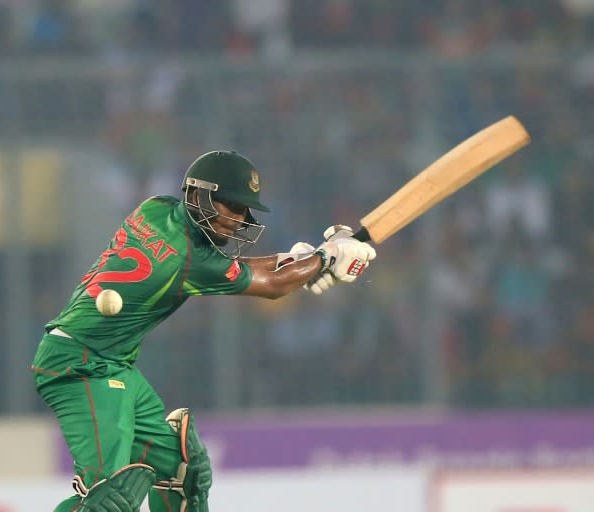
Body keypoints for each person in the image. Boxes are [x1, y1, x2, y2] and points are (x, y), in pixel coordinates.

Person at [31, 150, 377, 512]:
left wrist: (301, 261)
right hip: (82, 366)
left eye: (244, 209)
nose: (238, 219)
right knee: (107, 500)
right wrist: (324, 259)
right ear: (198, 194)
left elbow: (228, 267)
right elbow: (271, 286)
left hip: (112, 364)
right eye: (230, 205)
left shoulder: (156, 208)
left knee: (183, 471)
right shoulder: (190, 259)